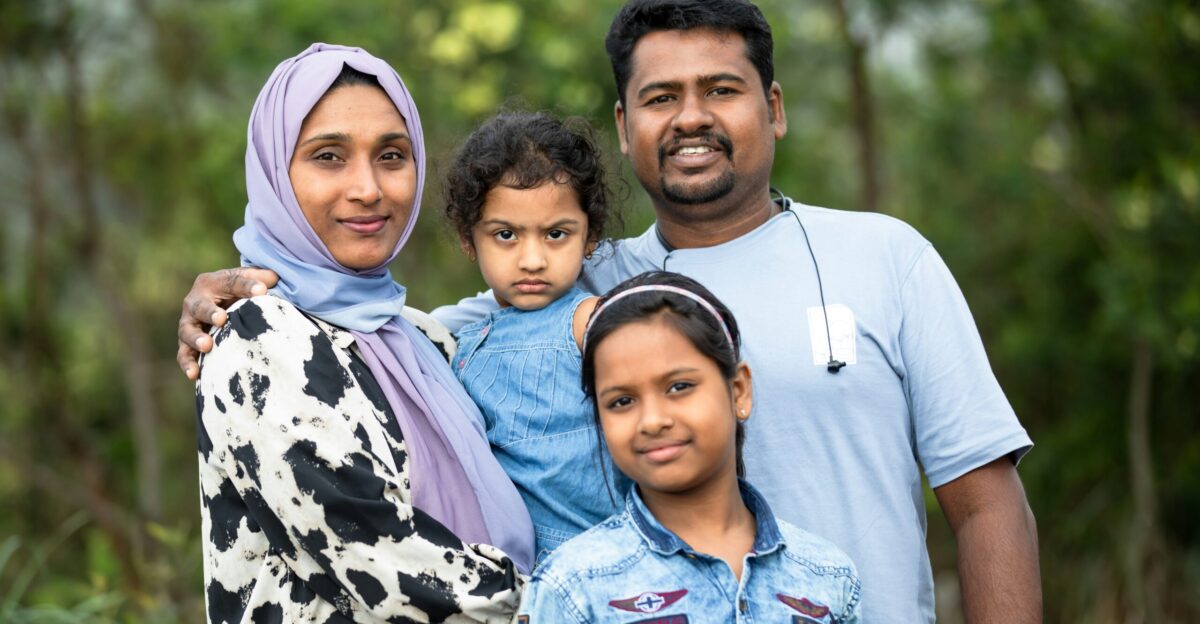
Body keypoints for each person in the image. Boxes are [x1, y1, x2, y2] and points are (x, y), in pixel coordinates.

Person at [177, 2, 1042, 621]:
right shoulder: (588, 285)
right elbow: (377, 342)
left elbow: (986, 501)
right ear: (624, 127)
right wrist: (245, 291)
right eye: (662, 98)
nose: (692, 117)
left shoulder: (886, 257)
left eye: (723, 90)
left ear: (774, 108)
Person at [194, 43, 532, 623]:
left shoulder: (425, 340)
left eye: (392, 155)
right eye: (328, 156)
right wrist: (576, 602)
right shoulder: (256, 341)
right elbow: (381, 562)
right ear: (276, 173)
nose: (368, 188)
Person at [519, 271, 861, 623]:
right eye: (622, 401)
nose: (652, 420)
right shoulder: (573, 585)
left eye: (679, 386)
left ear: (739, 390)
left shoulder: (827, 574)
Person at [441, 112, 631, 563]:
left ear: (590, 237)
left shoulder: (590, 322)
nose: (532, 259)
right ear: (470, 240)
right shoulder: (463, 346)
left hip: (607, 561)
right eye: (505, 235)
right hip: (518, 577)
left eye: (556, 234)